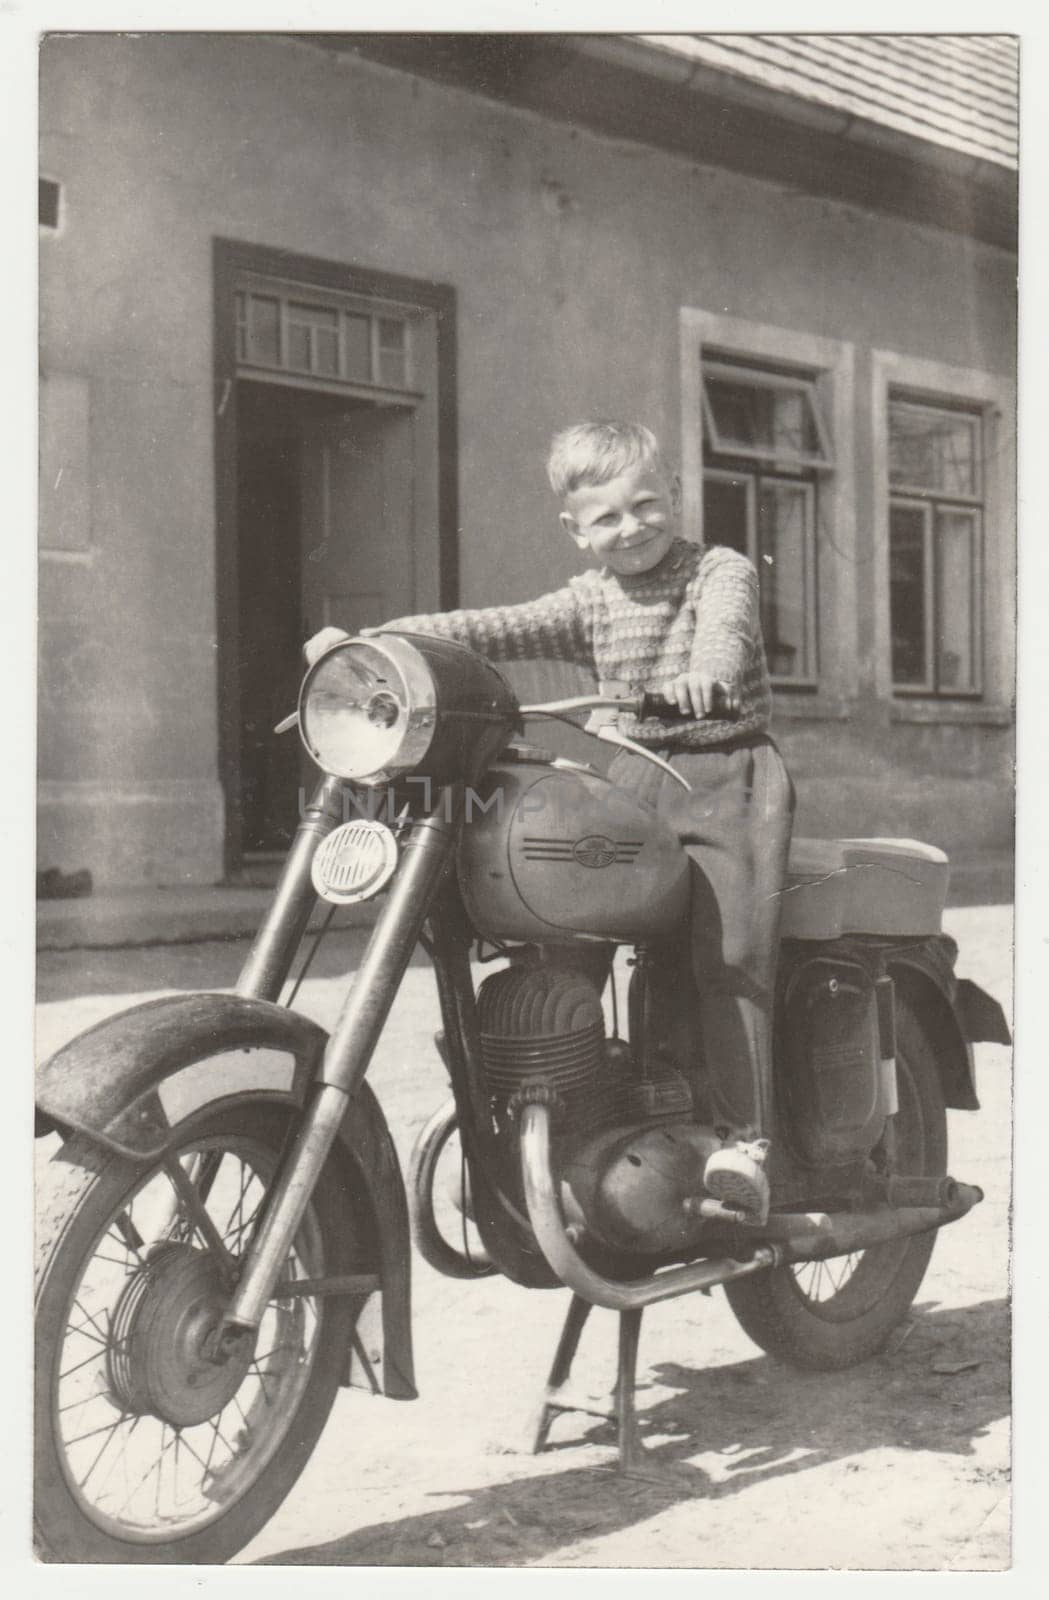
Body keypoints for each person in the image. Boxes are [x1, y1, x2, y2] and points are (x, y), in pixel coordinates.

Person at [304, 421, 794, 1221]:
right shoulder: (589, 599)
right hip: (635, 773)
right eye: (605, 517)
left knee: (728, 956)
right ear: (575, 529)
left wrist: (707, 675)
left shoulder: (715, 570)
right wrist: (373, 643)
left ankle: (746, 1143)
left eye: (645, 504)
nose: (630, 526)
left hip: (724, 773)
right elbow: (488, 627)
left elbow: (728, 632)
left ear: (673, 492)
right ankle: (572, 1119)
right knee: (567, 935)